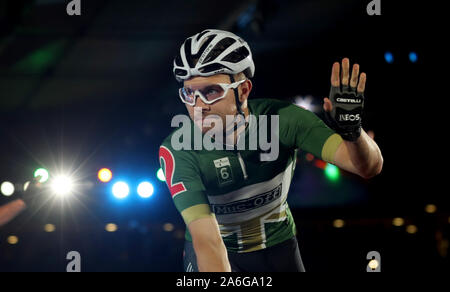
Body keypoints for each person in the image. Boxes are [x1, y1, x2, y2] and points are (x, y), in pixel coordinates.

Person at [159, 29, 383, 272]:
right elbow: (207, 242)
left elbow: (369, 167)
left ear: (243, 90)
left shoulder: (285, 120)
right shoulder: (178, 149)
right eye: (189, 93)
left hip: (278, 246)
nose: (198, 106)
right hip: (216, 248)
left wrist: (353, 133)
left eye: (211, 91)